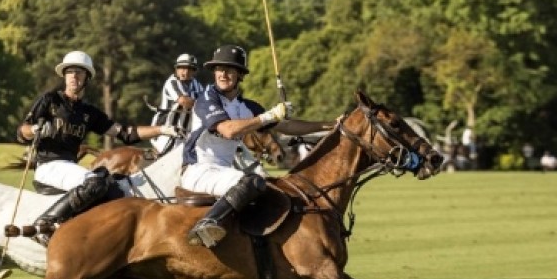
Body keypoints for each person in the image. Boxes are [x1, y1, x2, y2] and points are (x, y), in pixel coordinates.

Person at [181, 45, 332, 248]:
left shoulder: (247, 107)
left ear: (240, 75)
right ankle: (207, 223)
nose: (223, 74)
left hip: (222, 171)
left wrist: (330, 125)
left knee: (270, 187)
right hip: (198, 171)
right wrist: (268, 116)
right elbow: (228, 130)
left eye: (229, 70)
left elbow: (287, 126)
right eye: (219, 69)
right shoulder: (206, 99)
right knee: (252, 182)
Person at [20, 50, 183, 235]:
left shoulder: (89, 112)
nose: (74, 76)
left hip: (69, 166)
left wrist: (162, 129)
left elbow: (126, 133)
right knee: (95, 182)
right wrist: (34, 130)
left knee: (115, 188)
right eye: (70, 71)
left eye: (79, 72)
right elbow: (22, 131)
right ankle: (45, 224)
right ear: (64, 76)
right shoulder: (50, 100)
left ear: (87, 78)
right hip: (48, 166)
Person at [150, 53, 205, 153]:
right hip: (166, 128)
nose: (186, 72)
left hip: (186, 131)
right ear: (176, 69)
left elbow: (205, 99)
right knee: (166, 156)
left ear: (194, 71)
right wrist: (205, 106)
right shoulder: (172, 82)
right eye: (182, 68)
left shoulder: (196, 84)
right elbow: (183, 101)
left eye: (190, 69)